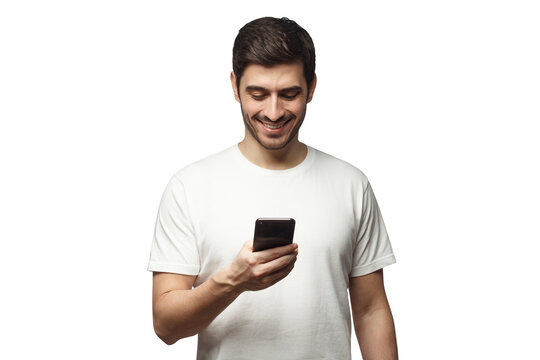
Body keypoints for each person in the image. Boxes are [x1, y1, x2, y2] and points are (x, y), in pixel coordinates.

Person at [148, 16, 398, 360]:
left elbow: (371, 311)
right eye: (258, 94)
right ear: (235, 86)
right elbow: (165, 326)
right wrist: (233, 281)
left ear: (311, 86)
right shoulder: (188, 187)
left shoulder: (351, 184)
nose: (274, 111)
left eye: (290, 94)